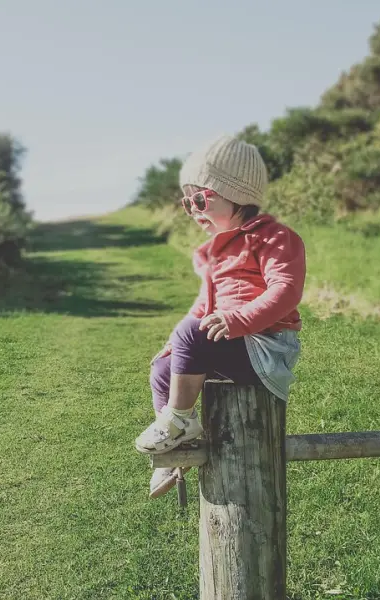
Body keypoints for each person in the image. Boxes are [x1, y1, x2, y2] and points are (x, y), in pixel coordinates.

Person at [134, 134, 307, 499]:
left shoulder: (275, 238)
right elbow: (205, 303)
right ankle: (174, 453)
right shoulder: (218, 250)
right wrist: (175, 344)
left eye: (201, 199)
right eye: (187, 203)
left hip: (266, 347)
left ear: (238, 194)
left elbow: (286, 290)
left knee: (190, 335)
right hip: (233, 343)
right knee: (163, 369)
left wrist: (238, 320)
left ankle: (180, 421)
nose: (194, 210)